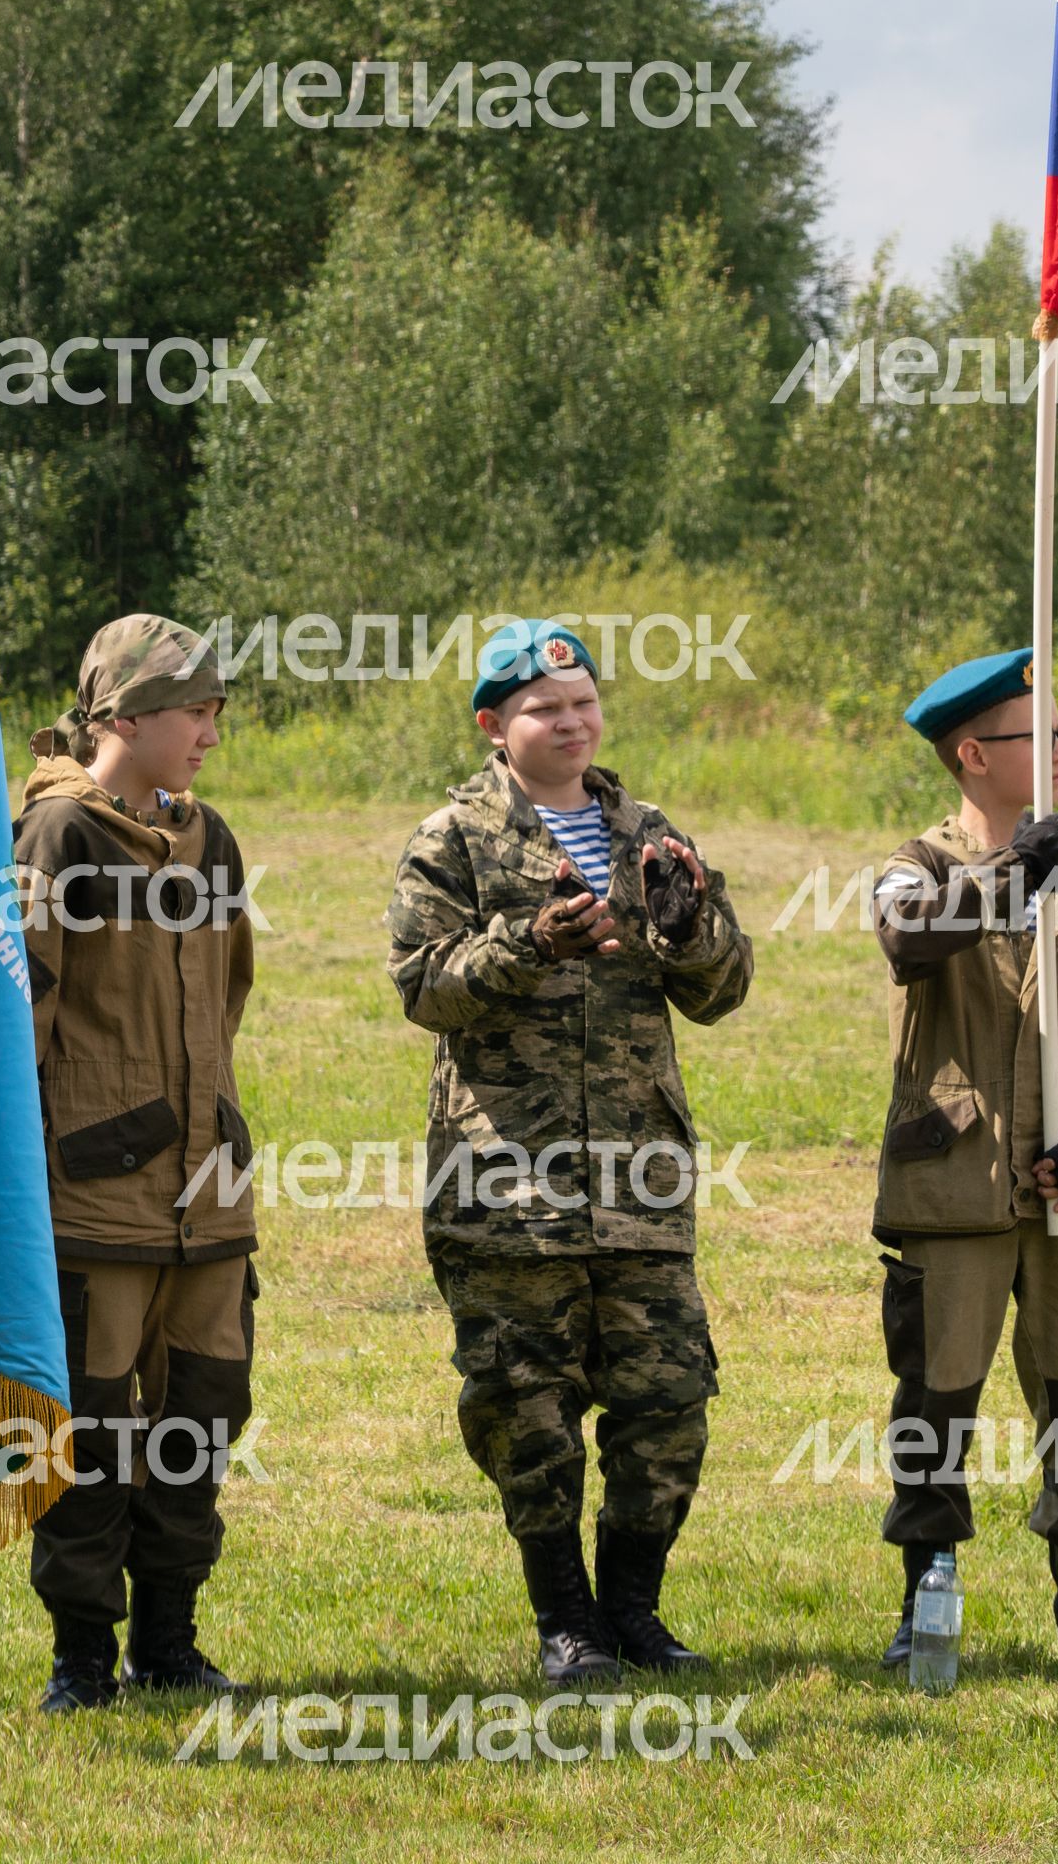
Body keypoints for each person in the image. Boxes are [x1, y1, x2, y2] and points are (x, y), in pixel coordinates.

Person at [386, 620, 752, 1683]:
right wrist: (526, 944)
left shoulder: (649, 831)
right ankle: (566, 1622)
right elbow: (423, 985)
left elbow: (723, 992)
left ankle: (634, 1610)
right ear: (495, 727)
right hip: (508, 1186)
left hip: (640, 1182)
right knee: (525, 1412)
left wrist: (690, 930)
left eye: (584, 703)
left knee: (667, 1405)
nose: (572, 722)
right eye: (547, 709)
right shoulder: (451, 841)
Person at [869, 649, 1058, 1671]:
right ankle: (927, 1593)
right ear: (973, 755)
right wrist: (1013, 876)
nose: (1057, 751)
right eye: (1036, 736)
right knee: (935, 1399)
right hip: (951, 1185)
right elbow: (911, 941)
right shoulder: (918, 867)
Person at [11, 614, 257, 1712]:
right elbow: (18, 1014)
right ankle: (81, 1657)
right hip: (92, 1191)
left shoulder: (214, 839)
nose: (211, 728)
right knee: (90, 1433)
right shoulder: (57, 835)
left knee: (201, 1416)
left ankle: (169, 1639)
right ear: (121, 717)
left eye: (214, 707)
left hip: (210, 1198)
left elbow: (228, 995)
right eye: (191, 709)